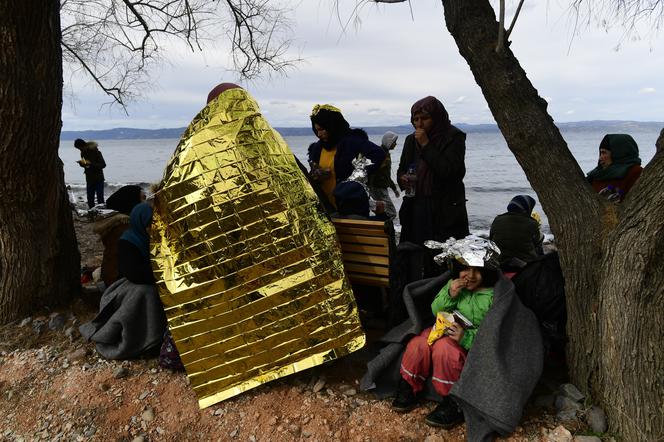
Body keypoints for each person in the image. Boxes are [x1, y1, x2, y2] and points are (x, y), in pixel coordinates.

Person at [391, 240, 499, 428]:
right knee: (417, 344)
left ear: (487, 271)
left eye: (477, 270)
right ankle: (409, 384)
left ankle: (453, 401)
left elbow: (495, 332)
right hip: (441, 329)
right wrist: (450, 294)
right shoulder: (453, 285)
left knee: (444, 349)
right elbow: (435, 310)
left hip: (466, 342)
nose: (470, 276)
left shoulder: (492, 296)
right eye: (465, 268)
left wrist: (466, 337)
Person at [79, 202, 167, 359]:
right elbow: (133, 273)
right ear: (140, 223)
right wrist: (160, 273)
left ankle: (156, 337)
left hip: (147, 279)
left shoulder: (154, 239)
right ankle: (141, 341)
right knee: (147, 293)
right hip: (126, 285)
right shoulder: (128, 241)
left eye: (152, 224)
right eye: (148, 225)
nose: (151, 228)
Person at [397, 96, 469, 246]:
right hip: (416, 206)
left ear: (437, 118)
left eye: (425, 118)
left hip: (445, 209)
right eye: (416, 119)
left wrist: (426, 144)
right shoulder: (411, 140)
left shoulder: (453, 137)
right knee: (414, 253)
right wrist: (403, 179)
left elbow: (451, 172)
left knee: (443, 255)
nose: (420, 124)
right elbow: (402, 169)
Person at [308, 104, 386, 209]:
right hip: (325, 209)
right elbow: (313, 176)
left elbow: (377, 153)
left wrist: (355, 177)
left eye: (322, 129)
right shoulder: (317, 148)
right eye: (316, 130)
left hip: (351, 208)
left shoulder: (352, 142)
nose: (319, 134)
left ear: (332, 126)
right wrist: (316, 174)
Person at [489, 195, 543, 270]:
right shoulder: (532, 223)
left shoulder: (497, 219)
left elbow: (491, 239)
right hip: (525, 264)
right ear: (527, 208)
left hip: (500, 262)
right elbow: (536, 243)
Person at [586, 134, 642, 201]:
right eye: (600, 153)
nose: (600, 158)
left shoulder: (635, 172)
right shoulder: (596, 174)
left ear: (618, 153)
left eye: (604, 153)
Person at [368, 131, 400, 219]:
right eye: (394, 142)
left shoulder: (386, 154)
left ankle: (380, 228)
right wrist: (370, 187)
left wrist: (394, 189)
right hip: (378, 188)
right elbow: (372, 171)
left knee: (381, 212)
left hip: (380, 188)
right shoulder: (379, 153)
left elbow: (386, 175)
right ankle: (385, 228)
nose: (395, 144)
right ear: (388, 141)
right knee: (391, 213)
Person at [74, 138, 106, 208]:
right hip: (89, 178)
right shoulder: (83, 153)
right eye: (78, 149)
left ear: (84, 145)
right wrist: (82, 164)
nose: (80, 150)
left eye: (80, 148)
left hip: (98, 178)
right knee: (90, 199)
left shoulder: (96, 152)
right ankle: (92, 214)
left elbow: (103, 165)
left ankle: (104, 213)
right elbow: (87, 166)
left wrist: (91, 164)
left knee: (100, 199)